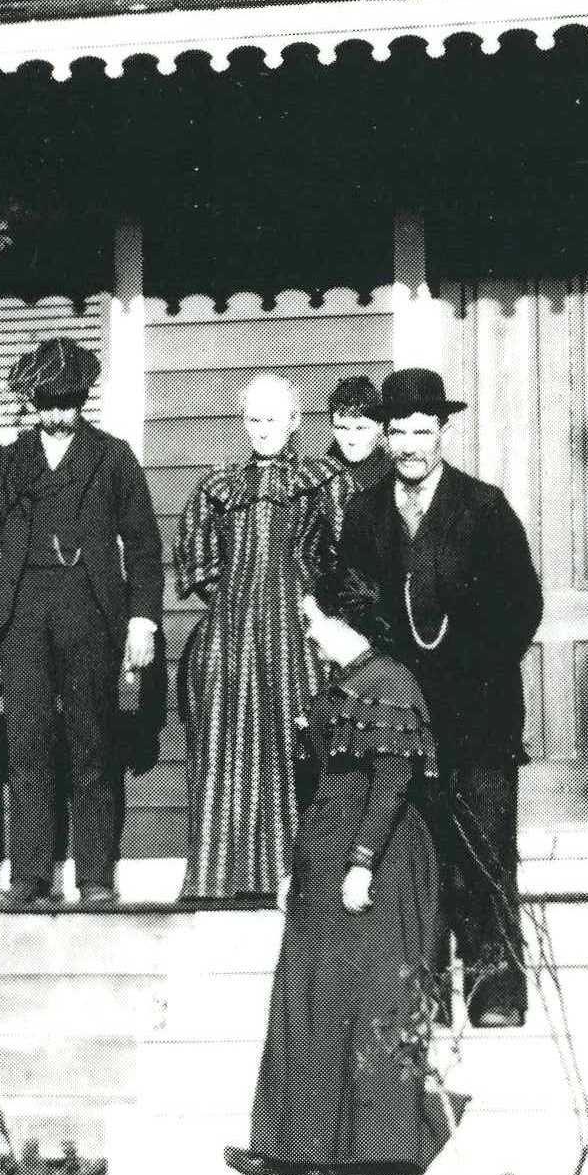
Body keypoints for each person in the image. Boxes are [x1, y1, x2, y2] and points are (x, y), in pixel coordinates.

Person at [335, 366, 544, 1027]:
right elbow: (347, 602)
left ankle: (495, 993)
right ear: (385, 435)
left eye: (423, 431)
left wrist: (470, 661)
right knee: (414, 856)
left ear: (443, 431)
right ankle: (420, 998)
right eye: (399, 432)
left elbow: (523, 607)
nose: (411, 445)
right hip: (403, 719)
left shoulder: (484, 507)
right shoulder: (365, 513)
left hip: (479, 713)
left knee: (483, 849)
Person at [226, 567, 450, 1175]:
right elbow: (321, 787)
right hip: (325, 857)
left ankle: (381, 1148)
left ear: (339, 620)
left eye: (311, 620)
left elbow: (393, 782)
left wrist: (362, 865)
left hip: (376, 859)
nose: (307, 632)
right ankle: (294, 1148)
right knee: (311, 997)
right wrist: (295, 870)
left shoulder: (390, 683)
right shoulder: (342, 684)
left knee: (369, 993)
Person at [0, 337, 161, 907]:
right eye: (47, 402)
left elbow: (144, 543)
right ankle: (29, 877)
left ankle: (95, 877)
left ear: (85, 399)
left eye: (69, 402)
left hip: (91, 613)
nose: (58, 414)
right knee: (26, 742)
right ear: (31, 400)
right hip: (24, 615)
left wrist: (142, 621)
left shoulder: (112, 457)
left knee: (93, 741)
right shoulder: (7, 463)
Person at [174, 373, 343, 901]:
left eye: (273, 418)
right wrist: (239, 605)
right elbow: (198, 567)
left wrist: (310, 603)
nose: (262, 429)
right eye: (253, 419)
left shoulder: (323, 482)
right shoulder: (217, 486)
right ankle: (225, 879)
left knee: (301, 745)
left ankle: (305, 879)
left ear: (294, 422)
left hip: (301, 636)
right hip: (231, 638)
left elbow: (342, 560)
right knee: (231, 753)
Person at [322, 374, 389, 520]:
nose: (351, 439)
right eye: (343, 428)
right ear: (332, 427)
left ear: (380, 426)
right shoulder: (319, 478)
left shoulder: (393, 478)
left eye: (361, 428)